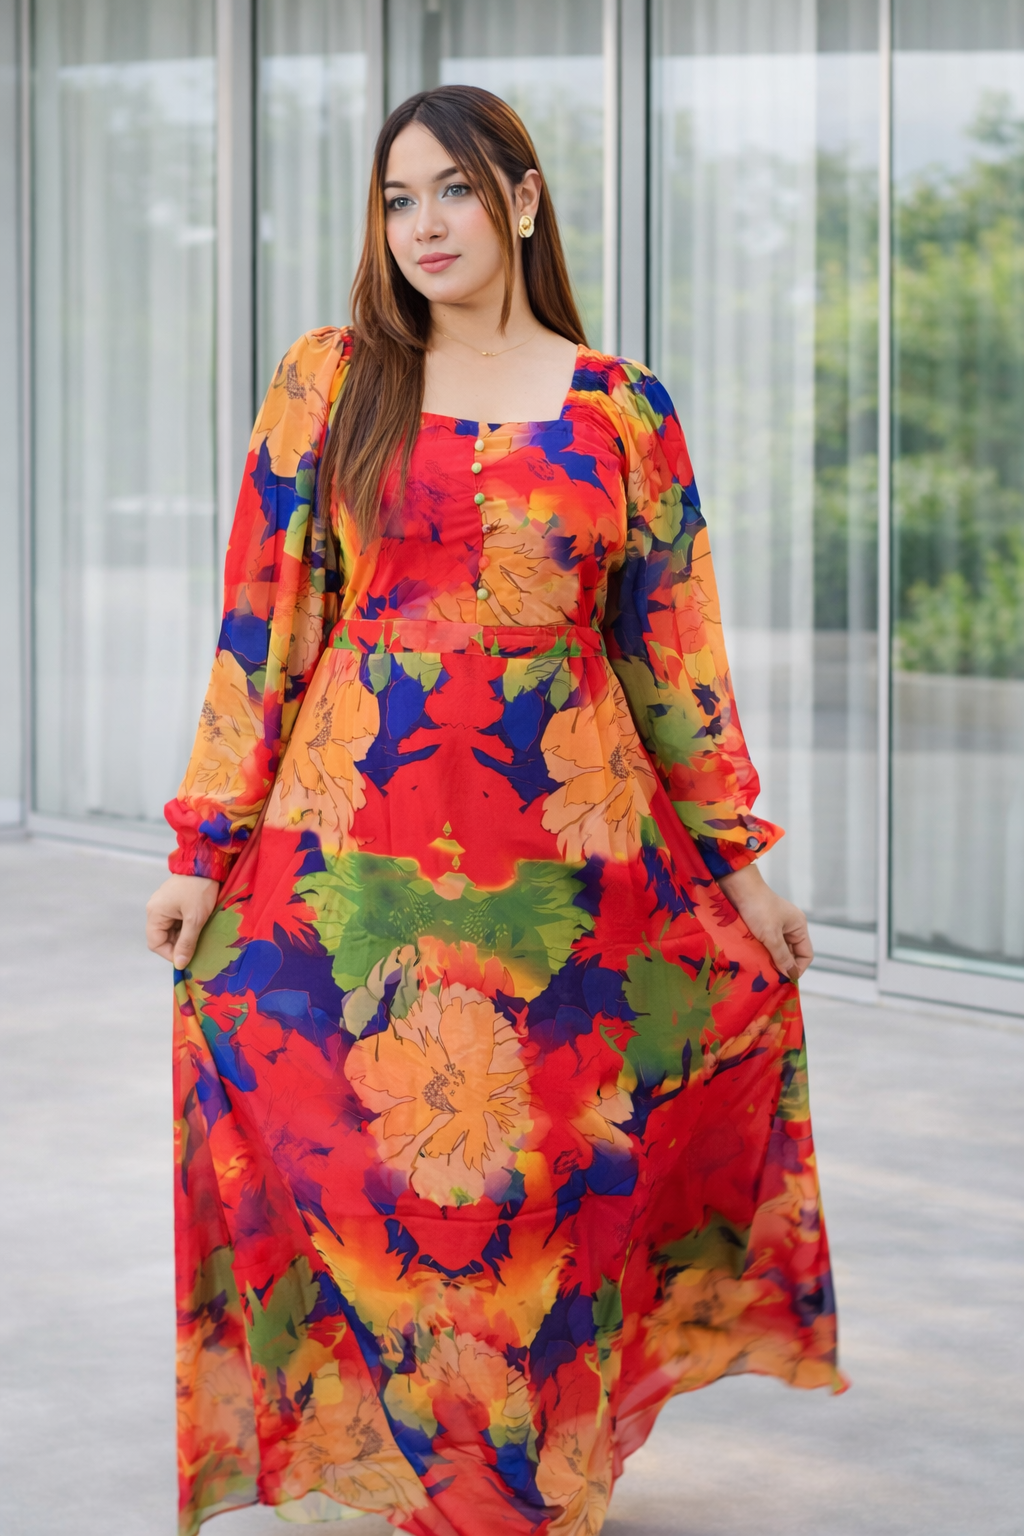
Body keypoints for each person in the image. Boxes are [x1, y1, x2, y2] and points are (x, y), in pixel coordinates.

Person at [147, 85, 839, 1536]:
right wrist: (206, 850)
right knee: (379, 1162)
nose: (423, 227)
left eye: (449, 191)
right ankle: (429, 1472)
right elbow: (260, 627)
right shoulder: (333, 379)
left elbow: (674, 663)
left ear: (521, 200)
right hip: (352, 857)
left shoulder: (624, 408)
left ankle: (525, 1483)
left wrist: (743, 872)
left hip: (572, 874)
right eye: (397, 201)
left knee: (542, 1195)